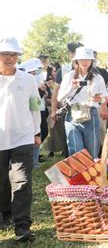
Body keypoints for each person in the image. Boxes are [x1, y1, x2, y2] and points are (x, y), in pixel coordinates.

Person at [0, 37, 41, 242]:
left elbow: (35, 106)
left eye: (14, 54)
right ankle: (5, 212)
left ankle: (22, 225)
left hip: (22, 137)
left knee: (22, 181)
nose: (10, 58)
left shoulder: (28, 79)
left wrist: (36, 132)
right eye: (6, 53)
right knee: (1, 182)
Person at [58, 47, 107, 158]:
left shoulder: (98, 78)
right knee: (76, 152)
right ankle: (78, 175)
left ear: (91, 61)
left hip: (91, 114)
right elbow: (59, 98)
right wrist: (72, 87)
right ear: (76, 60)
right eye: (81, 59)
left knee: (92, 152)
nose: (84, 62)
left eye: (87, 59)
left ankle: (92, 175)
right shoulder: (69, 76)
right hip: (72, 114)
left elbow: (104, 99)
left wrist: (100, 100)